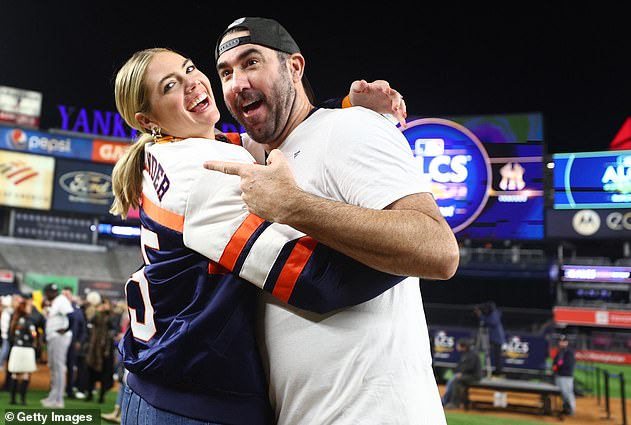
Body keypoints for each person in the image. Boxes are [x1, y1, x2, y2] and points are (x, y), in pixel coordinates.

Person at [111, 46, 413, 425]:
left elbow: (275, 134)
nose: (192, 84)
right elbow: (314, 279)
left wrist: (347, 103)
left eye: (189, 69)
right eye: (170, 85)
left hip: (162, 384)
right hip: (194, 402)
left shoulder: (174, 152)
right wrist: (409, 248)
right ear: (147, 119)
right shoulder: (205, 170)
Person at [207, 17, 459, 425]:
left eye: (252, 62)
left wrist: (294, 206)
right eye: (226, 72)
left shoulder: (351, 127)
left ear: (294, 67)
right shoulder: (259, 157)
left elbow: (438, 250)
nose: (237, 82)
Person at [40, 283, 74, 409]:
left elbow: (72, 316)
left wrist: (66, 329)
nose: (50, 294)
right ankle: (53, 397)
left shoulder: (61, 300)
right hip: (54, 337)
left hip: (59, 337)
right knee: (54, 368)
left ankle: (58, 400)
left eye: (52, 292)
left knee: (58, 368)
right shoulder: (56, 301)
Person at [7, 299, 38, 405]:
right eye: (29, 307)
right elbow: (33, 335)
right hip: (27, 349)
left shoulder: (14, 319)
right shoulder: (29, 321)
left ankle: (13, 399)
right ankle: (23, 400)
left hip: (16, 349)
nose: (31, 309)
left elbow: (9, 335)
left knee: (14, 374)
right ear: (24, 308)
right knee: (25, 374)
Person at [442, 338, 481, 409]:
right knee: (452, 380)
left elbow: (471, 367)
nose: (457, 347)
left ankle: (454, 403)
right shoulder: (465, 354)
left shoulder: (471, 355)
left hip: (473, 376)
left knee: (455, 381)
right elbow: (460, 367)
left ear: (463, 346)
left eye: (459, 345)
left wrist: (462, 373)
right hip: (466, 375)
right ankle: (445, 401)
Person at [63, 286, 87, 399]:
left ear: (71, 296)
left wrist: (79, 342)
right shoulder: (58, 309)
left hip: (72, 343)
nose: (65, 297)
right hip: (60, 343)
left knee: (71, 367)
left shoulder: (77, 311)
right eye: (63, 295)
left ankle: (69, 389)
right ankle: (56, 389)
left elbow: (83, 329)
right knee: (57, 367)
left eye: (67, 295)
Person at [474, 301, 506, 376]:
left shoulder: (494, 314)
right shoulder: (491, 314)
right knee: (485, 352)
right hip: (491, 338)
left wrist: (481, 315)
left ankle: (498, 372)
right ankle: (481, 368)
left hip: (497, 339)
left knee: (497, 356)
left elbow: (492, 322)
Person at [552, 334, 576, 416]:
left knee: (567, 393)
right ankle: (566, 408)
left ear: (567, 343)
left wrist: (558, 366)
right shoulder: (560, 352)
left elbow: (568, 365)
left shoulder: (569, 352)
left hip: (566, 376)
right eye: (560, 341)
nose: (561, 343)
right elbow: (555, 363)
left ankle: (571, 409)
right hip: (559, 375)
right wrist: (555, 366)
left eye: (563, 342)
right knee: (562, 393)